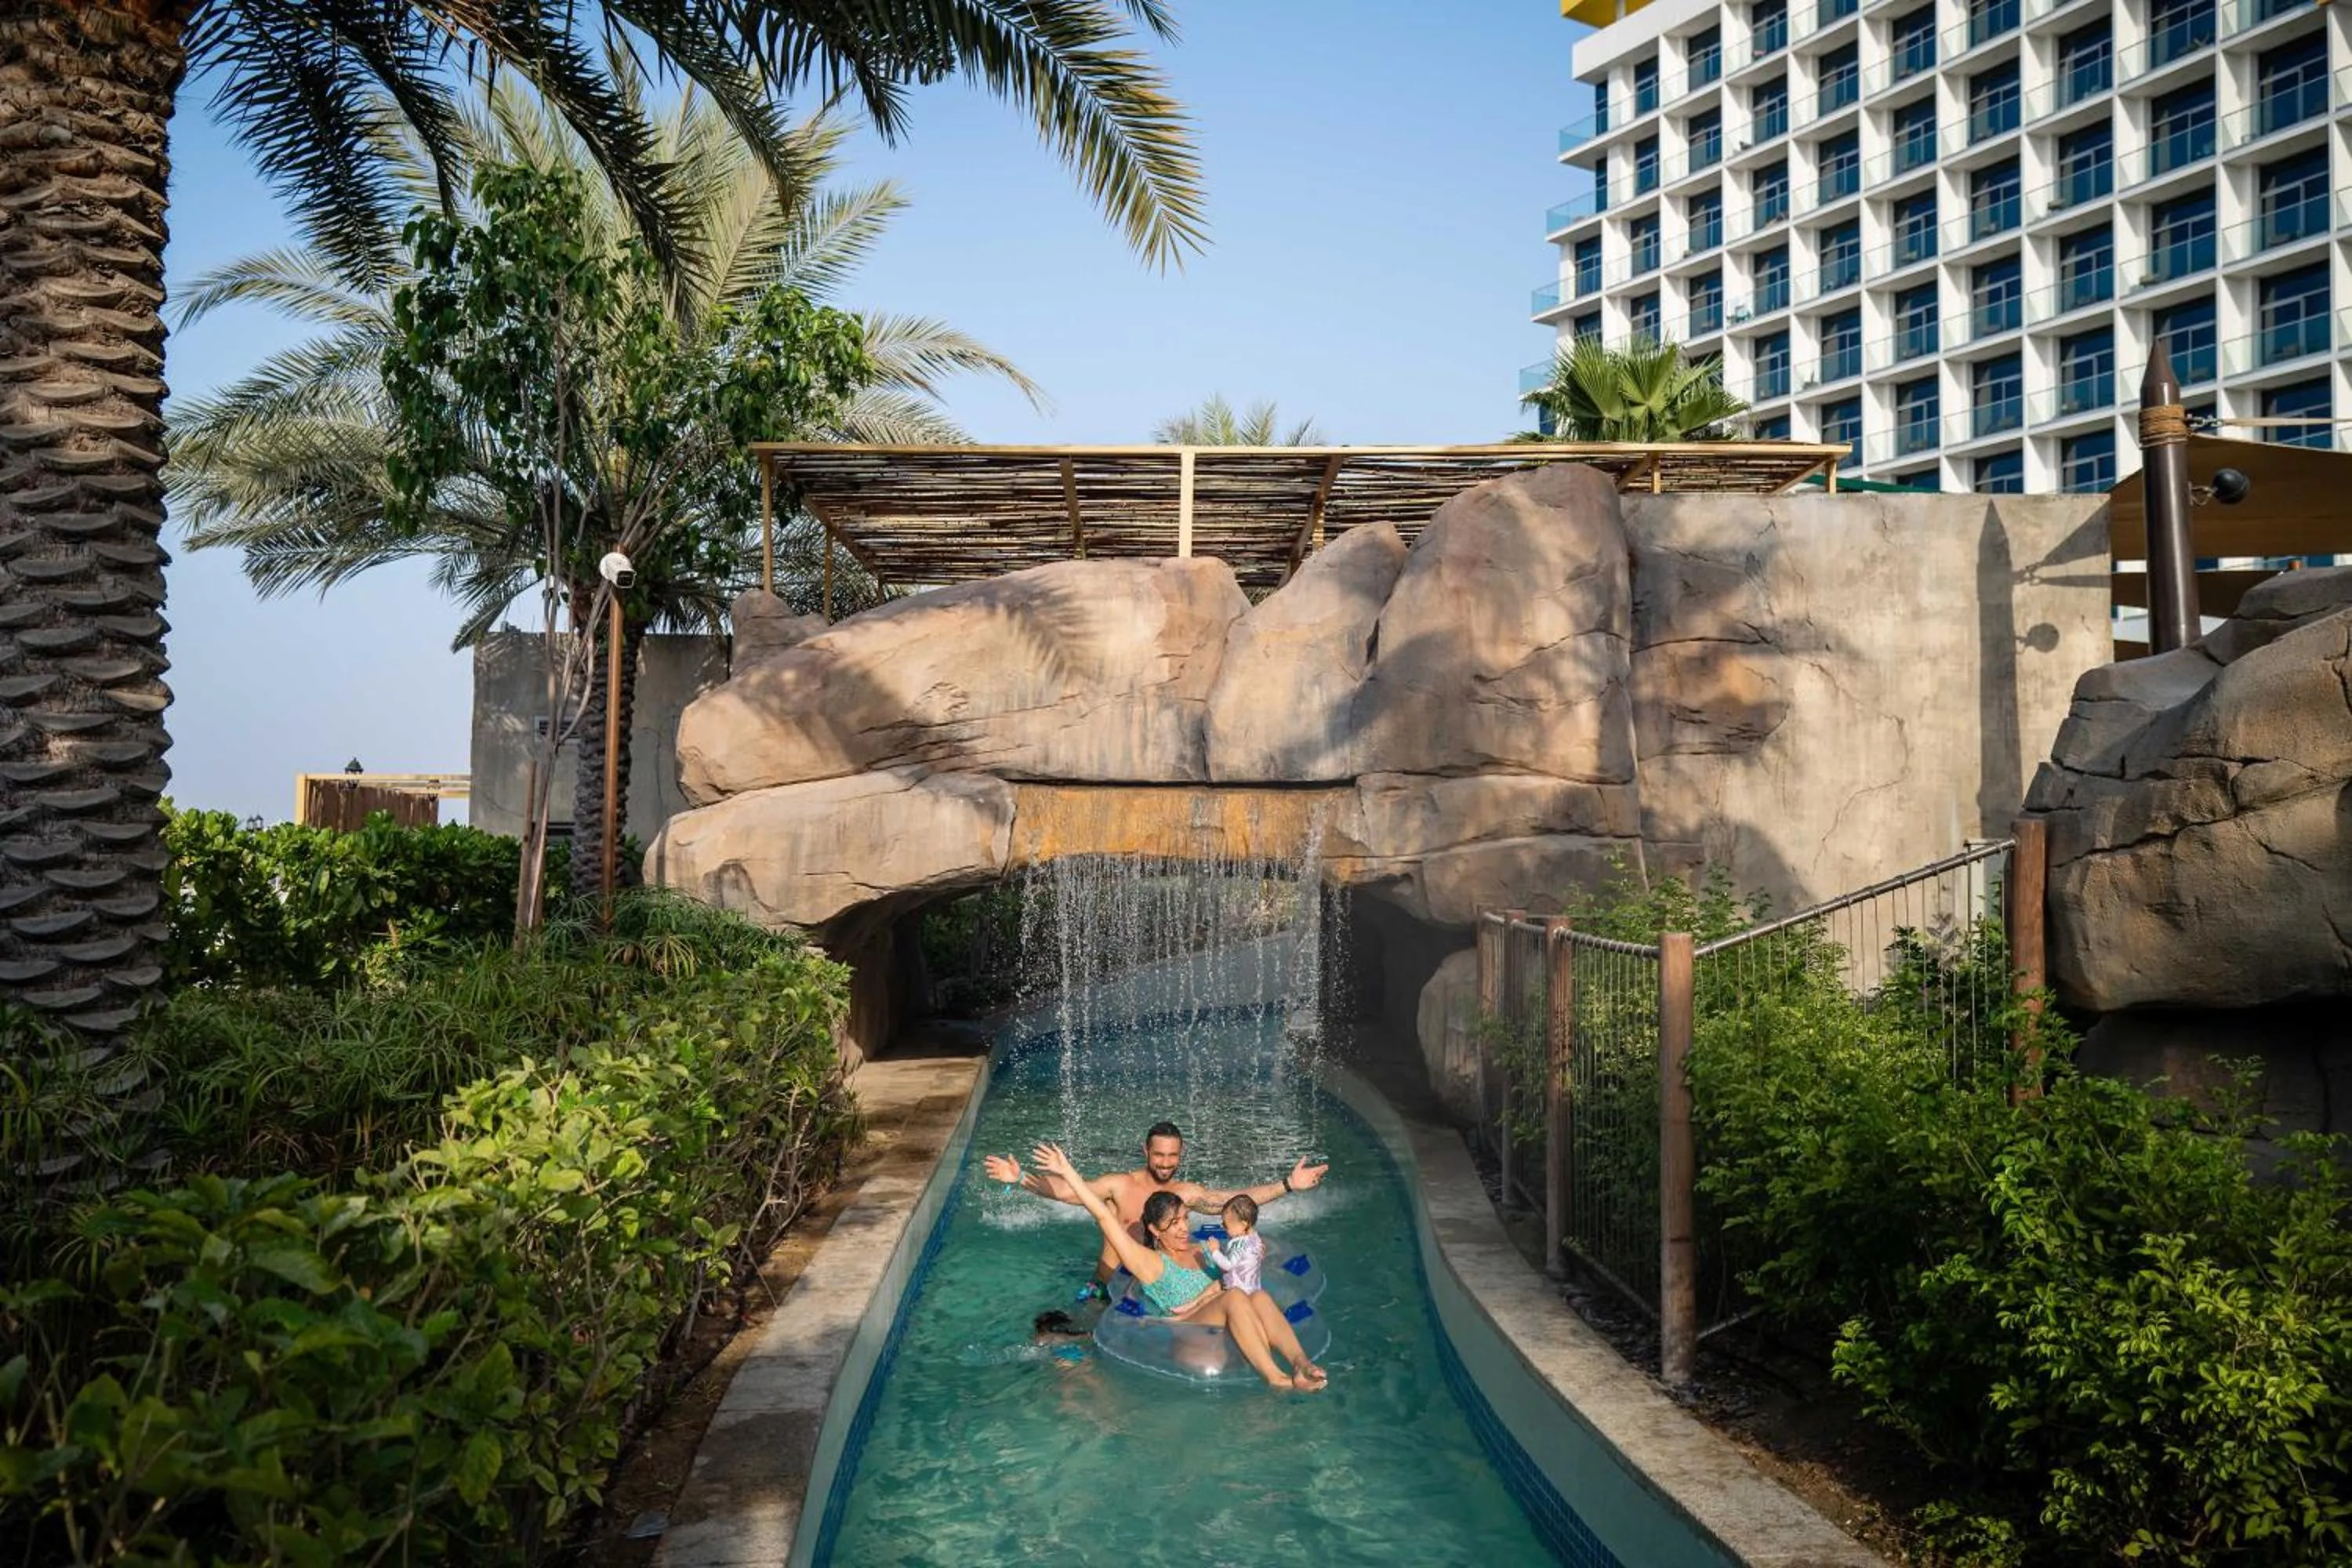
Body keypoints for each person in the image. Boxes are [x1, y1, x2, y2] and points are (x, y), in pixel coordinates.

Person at [1028, 1141, 1326, 1391]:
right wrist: (1066, 1170)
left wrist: (1288, 1185)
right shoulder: (1150, 1262)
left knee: (1258, 1295)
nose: (1184, 1228)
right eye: (1173, 1223)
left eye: (1185, 1219)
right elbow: (1103, 1216)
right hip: (1188, 1337)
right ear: (1155, 1231)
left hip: (1221, 1323)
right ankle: (1276, 1379)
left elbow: (1235, 1209)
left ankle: (1302, 1363)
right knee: (1236, 1296)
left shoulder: (1203, 1250)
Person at [982, 1120, 1327, 1285]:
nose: (1165, 1163)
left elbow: (1232, 1201)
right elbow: (1073, 1192)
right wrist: (1022, 1179)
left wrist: (1287, 1185)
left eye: (1172, 1156)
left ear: (1181, 1155)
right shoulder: (1120, 1184)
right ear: (1146, 1152)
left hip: (1159, 1283)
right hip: (1110, 1282)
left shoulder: (1185, 1193)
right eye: (1158, 1155)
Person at [1200, 1193, 1264, 1297]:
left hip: (1238, 1289)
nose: (1223, 1227)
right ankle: (1190, 1306)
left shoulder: (1239, 1244)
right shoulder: (1256, 1239)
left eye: (1226, 1225)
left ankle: (1191, 1307)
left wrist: (1215, 1251)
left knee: (1212, 1293)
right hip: (1253, 1287)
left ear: (1244, 1225)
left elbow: (1228, 1266)